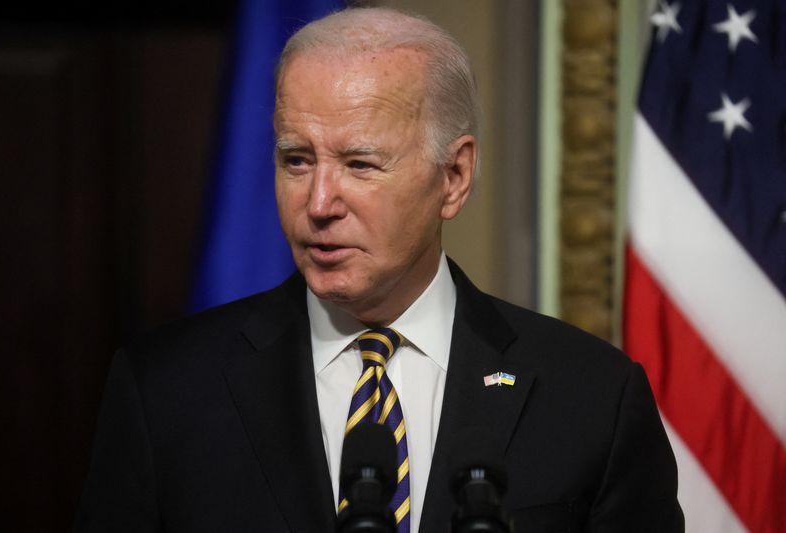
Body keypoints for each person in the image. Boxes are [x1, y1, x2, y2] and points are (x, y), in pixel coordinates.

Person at [74, 7, 683, 533]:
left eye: (360, 164)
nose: (318, 203)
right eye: (296, 159)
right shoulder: (165, 393)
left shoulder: (592, 396)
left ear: (454, 177)